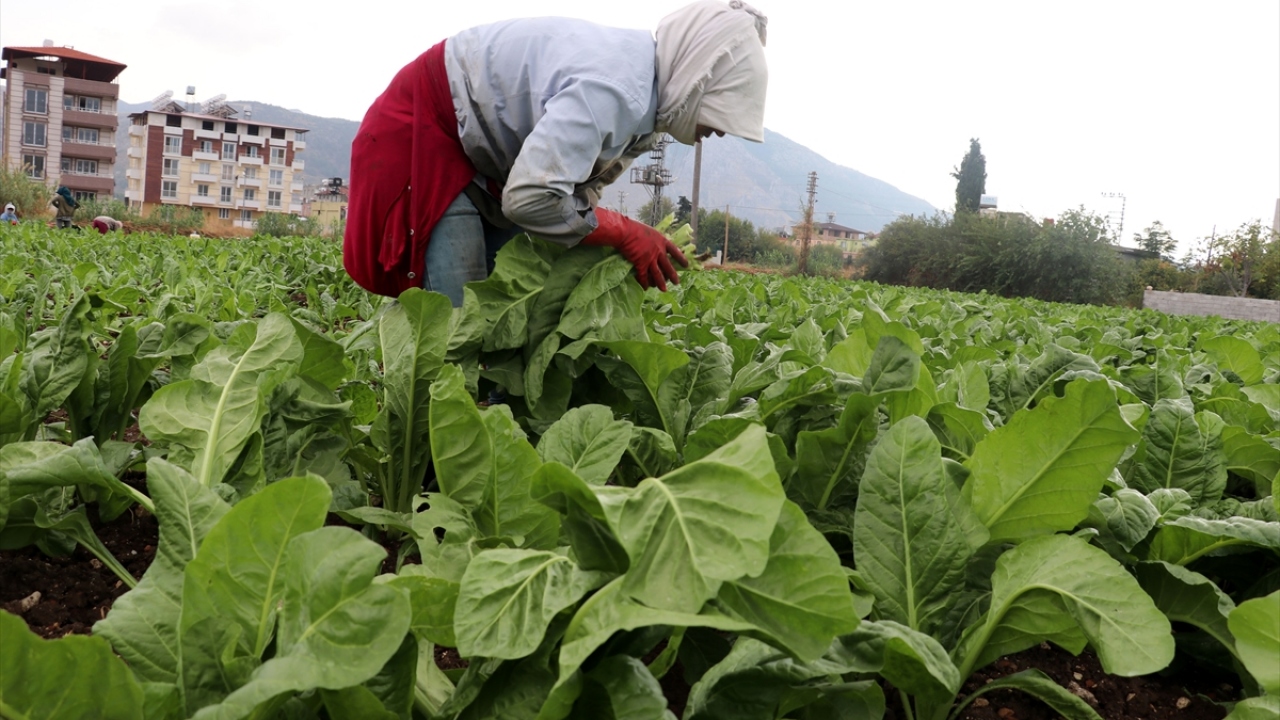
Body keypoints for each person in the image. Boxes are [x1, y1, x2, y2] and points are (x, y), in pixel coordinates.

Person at [344, 0, 769, 305]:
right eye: (719, 114)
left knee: (502, 314)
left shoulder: (648, 106)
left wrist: (606, 255)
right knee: (461, 328)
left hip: (485, 162)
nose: (718, 132)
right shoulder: (616, 90)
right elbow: (530, 199)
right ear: (696, 82)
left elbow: (575, 193)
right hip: (427, 132)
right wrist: (625, 232)